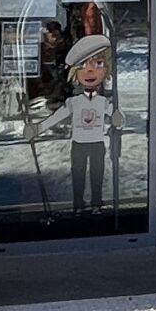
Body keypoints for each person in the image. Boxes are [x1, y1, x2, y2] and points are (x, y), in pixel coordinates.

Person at [31, 29, 118, 215]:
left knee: (97, 174)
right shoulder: (74, 102)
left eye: (98, 64)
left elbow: (117, 117)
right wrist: (37, 129)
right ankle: (78, 203)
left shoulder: (103, 102)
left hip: (97, 144)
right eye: (83, 66)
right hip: (79, 144)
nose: (90, 70)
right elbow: (56, 117)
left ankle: (96, 202)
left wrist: (118, 120)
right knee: (78, 175)